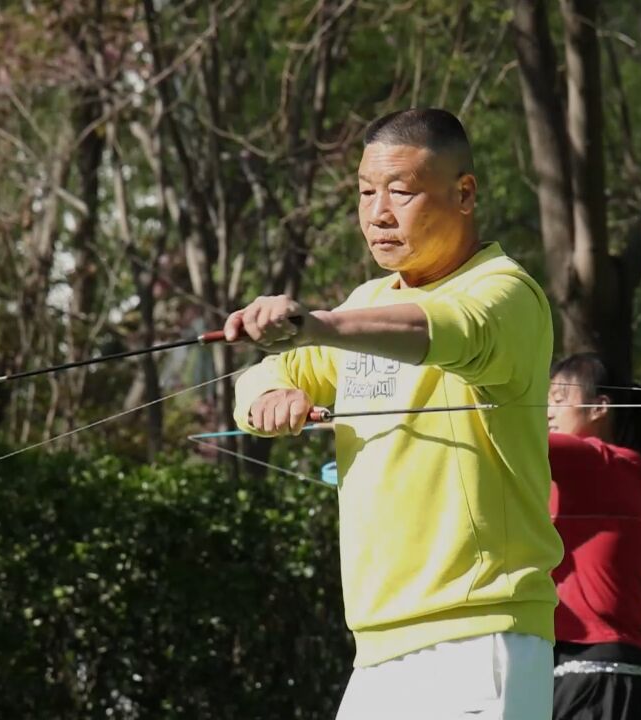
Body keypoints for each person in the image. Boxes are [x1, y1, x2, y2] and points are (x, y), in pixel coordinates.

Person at [225, 108, 563, 720]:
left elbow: (449, 330)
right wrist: (266, 398)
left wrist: (315, 325)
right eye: (364, 193)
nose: (378, 213)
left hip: (482, 633)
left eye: (401, 193)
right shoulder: (369, 301)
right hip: (378, 646)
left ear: (464, 193)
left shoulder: (505, 291)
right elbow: (260, 375)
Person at [545, 353, 641, 720]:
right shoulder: (609, 469)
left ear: (599, 408)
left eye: (558, 400)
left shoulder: (599, 461)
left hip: (596, 681)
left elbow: (512, 439)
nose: (546, 411)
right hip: (611, 676)